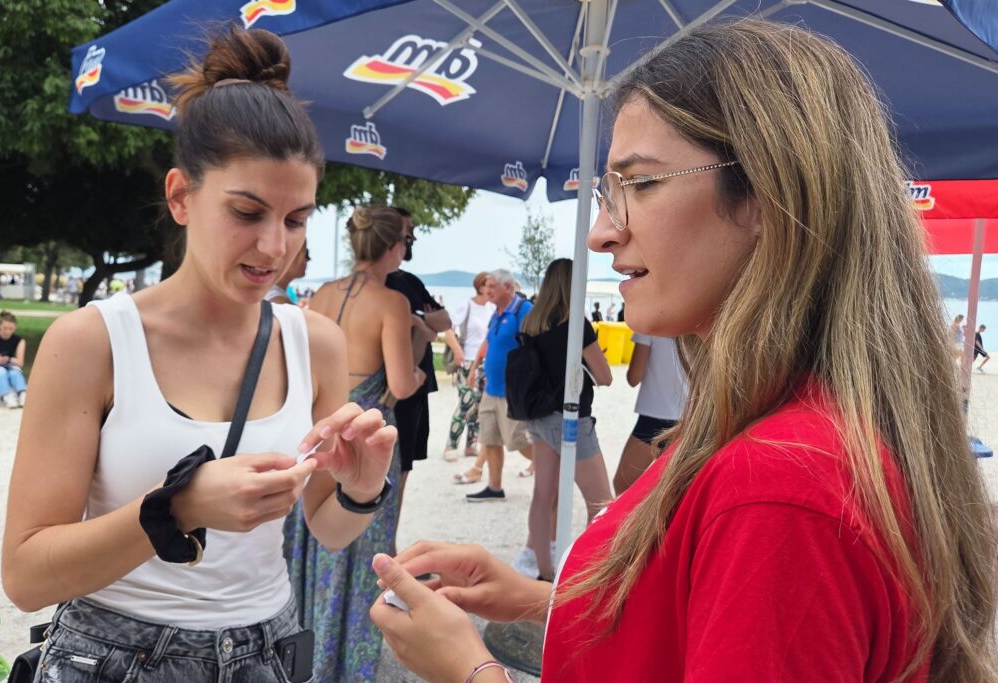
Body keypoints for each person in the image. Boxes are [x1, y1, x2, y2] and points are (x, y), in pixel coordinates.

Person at [368, 21, 998, 683]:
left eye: (640, 184)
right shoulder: (793, 430)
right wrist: (538, 599)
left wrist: (472, 671)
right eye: (608, 193)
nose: (602, 232)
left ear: (769, 193)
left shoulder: (779, 486)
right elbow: (695, 627)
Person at [1, 26, 397, 683]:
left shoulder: (314, 342)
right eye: (247, 212)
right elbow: (25, 575)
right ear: (181, 196)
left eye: (296, 219)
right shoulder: (93, 341)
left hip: (266, 651)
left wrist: (360, 488)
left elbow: (327, 529)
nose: (275, 248)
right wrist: (177, 508)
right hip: (114, 657)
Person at [286, 205, 426, 681]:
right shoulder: (392, 302)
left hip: (316, 428)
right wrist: (419, 371)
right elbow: (402, 384)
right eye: (406, 242)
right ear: (393, 247)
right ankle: (344, 662)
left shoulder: (323, 293)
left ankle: (305, 650)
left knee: (310, 542)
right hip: (364, 434)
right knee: (362, 546)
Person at [520, 258, 613, 581]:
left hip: (539, 417)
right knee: (602, 505)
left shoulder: (532, 321)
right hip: (571, 419)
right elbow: (605, 377)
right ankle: (588, 573)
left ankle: (545, 572)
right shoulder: (576, 325)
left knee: (543, 496)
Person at [385, 208, 451, 517]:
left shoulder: (409, 281)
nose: (413, 238)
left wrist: (418, 319)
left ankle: (390, 538)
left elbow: (444, 320)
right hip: (388, 388)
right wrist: (418, 322)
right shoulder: (378, 285)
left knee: (402, 471)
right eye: (408, 232)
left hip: (415, 391)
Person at [465, 269, 534, 502]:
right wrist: (474, 368)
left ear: (507, 288)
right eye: (487, 286)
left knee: (518, 441)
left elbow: (533, 346)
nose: (487, 290)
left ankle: (555, 468)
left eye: (492, 286)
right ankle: (494, 488)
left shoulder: (523, 310)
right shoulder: (497, 312)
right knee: (490, 439)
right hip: (491, 389)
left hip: (512, 392)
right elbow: (489, 343)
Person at [612, 334, 687, 495]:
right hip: (690, 417)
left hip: (655, 416)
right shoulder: (700, 323)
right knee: (676, 490)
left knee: (623, 484)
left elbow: (633, 378)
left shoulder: (650, 327)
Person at [442, 272, 495, 461]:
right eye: (489, 286)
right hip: (467, 363)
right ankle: (451, 445)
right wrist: (458, 352)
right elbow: (447, 328)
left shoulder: (492, 308)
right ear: (480, 287)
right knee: (467, 402)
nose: (492, 290)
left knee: (479, 406)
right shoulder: (467, 305)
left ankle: (471, 445)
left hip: (485, 364)